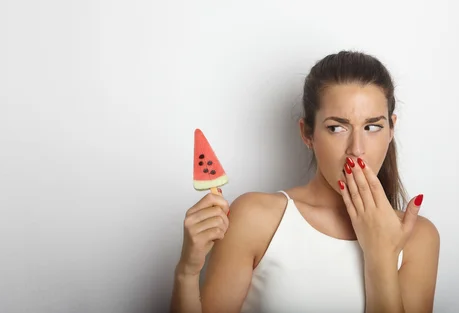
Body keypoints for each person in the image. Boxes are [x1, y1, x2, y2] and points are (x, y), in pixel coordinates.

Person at [170, 51, 440, 313]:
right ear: (307, 133)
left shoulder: (418, 238)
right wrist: (187, 272)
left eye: (372, 127)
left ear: (391, 129)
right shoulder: (256, 218)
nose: (356, 149)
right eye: (337, 127)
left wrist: (381, 256)